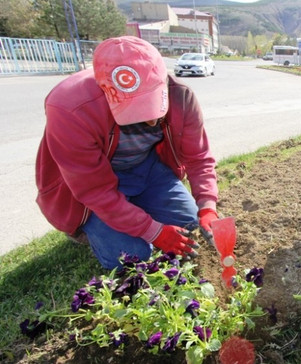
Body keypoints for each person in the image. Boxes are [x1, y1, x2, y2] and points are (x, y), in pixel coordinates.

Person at [35, 36, 225, 269]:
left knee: (190, 225)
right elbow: (96, 191)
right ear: (105, 89)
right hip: (98, 179)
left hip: (147, 168)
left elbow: (199, 159)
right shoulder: (70, 109)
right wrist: (156, 233)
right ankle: (89, 229)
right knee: (134, 256)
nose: (150, 118)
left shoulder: (181, 97)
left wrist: (207, 207)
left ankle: (136, 210)